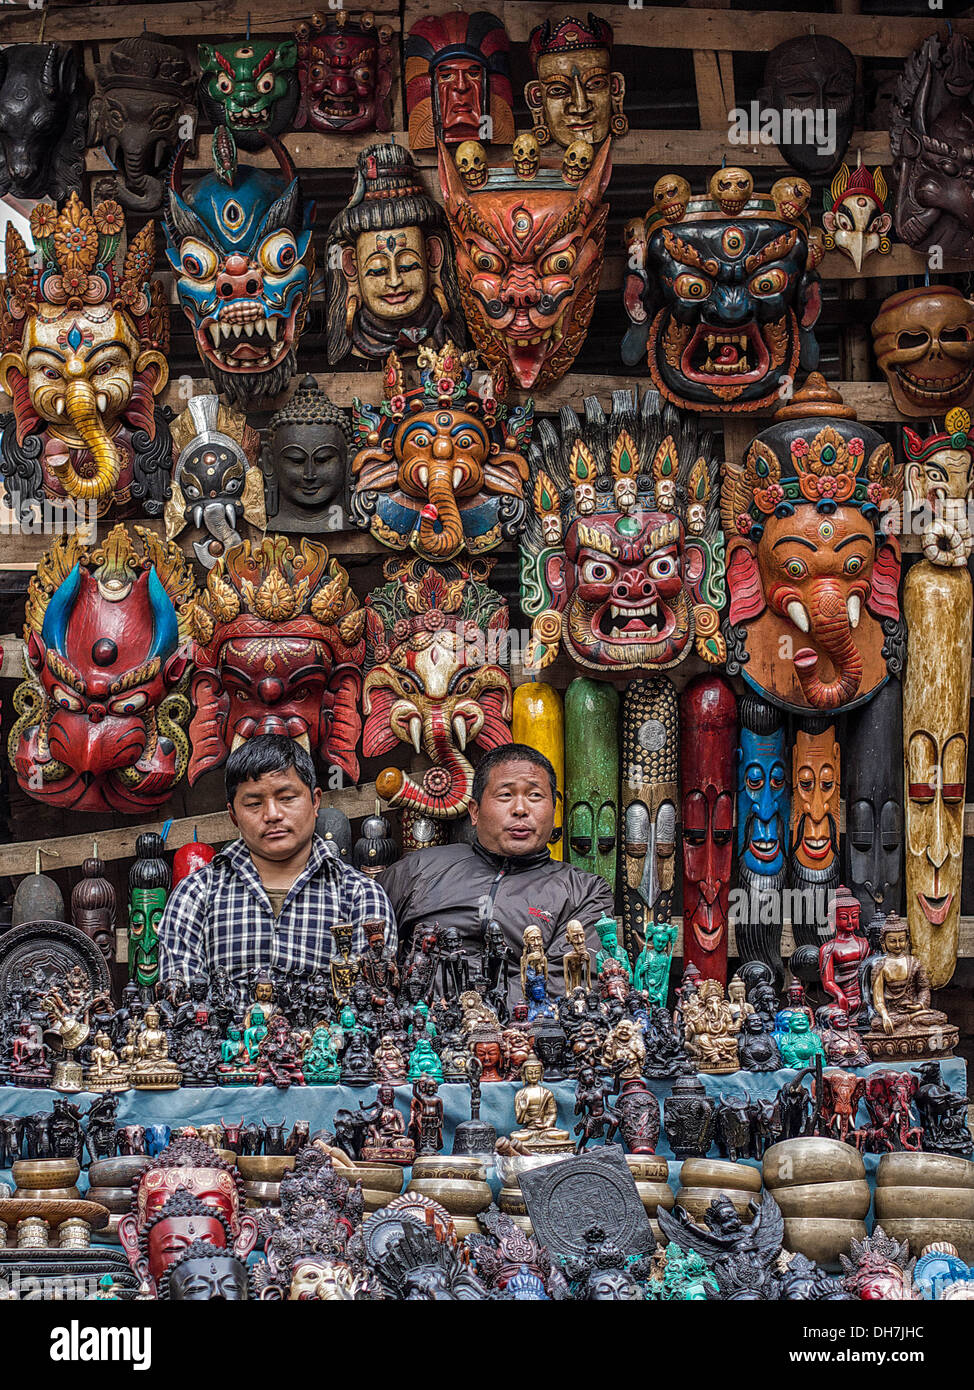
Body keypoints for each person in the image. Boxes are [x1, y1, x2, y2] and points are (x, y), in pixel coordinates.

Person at [382, 743, 613, 1005]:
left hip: (523, 1035)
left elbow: (565, 982)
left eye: (535, 796)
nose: (520, 809)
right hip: (422, 1030)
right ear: (475, 811)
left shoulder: (582, 890)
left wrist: (478, 1014)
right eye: (505, 795)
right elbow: (369, 949)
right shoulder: (418, 869)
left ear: (554, 810)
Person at [158, 735, 396, 988]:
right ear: (233, 815)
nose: (272, 815)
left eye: (286, 798)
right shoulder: (196, 894)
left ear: (315, 801)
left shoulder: (360, 895)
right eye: (253, 803)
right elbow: (180, 1002)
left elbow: (373, 1001)